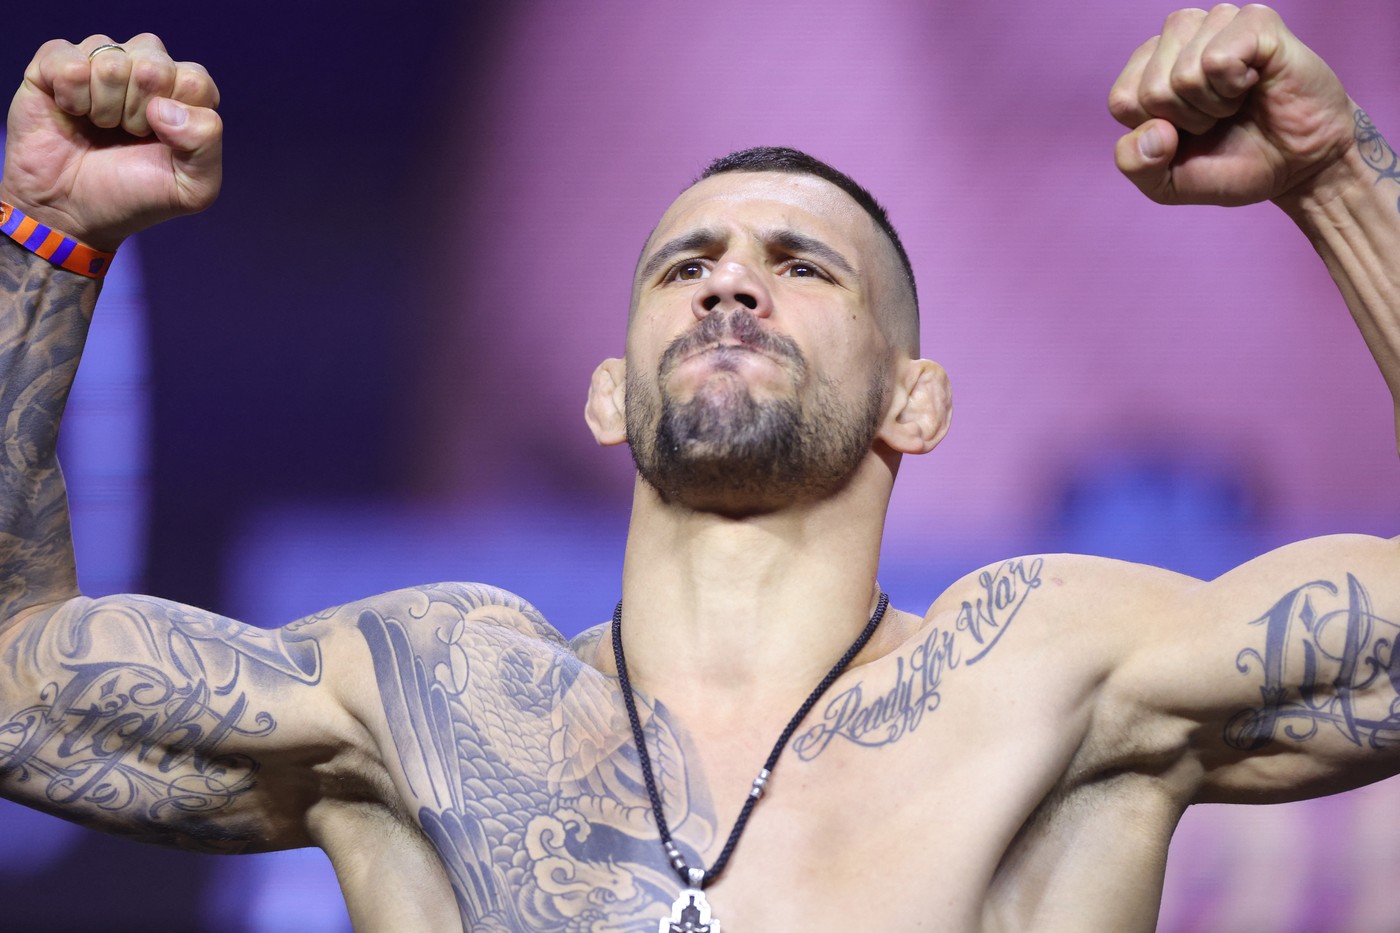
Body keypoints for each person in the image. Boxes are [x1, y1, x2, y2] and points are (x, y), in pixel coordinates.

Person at [1, 5, 1398, 930]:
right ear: (609, 392)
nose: (733, 285)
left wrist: (1334, 180)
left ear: (917, 402)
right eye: (688, 265)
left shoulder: (1053, 682)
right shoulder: (428, 701)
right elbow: (18, 689)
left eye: (800, 266)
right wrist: (47, 239)